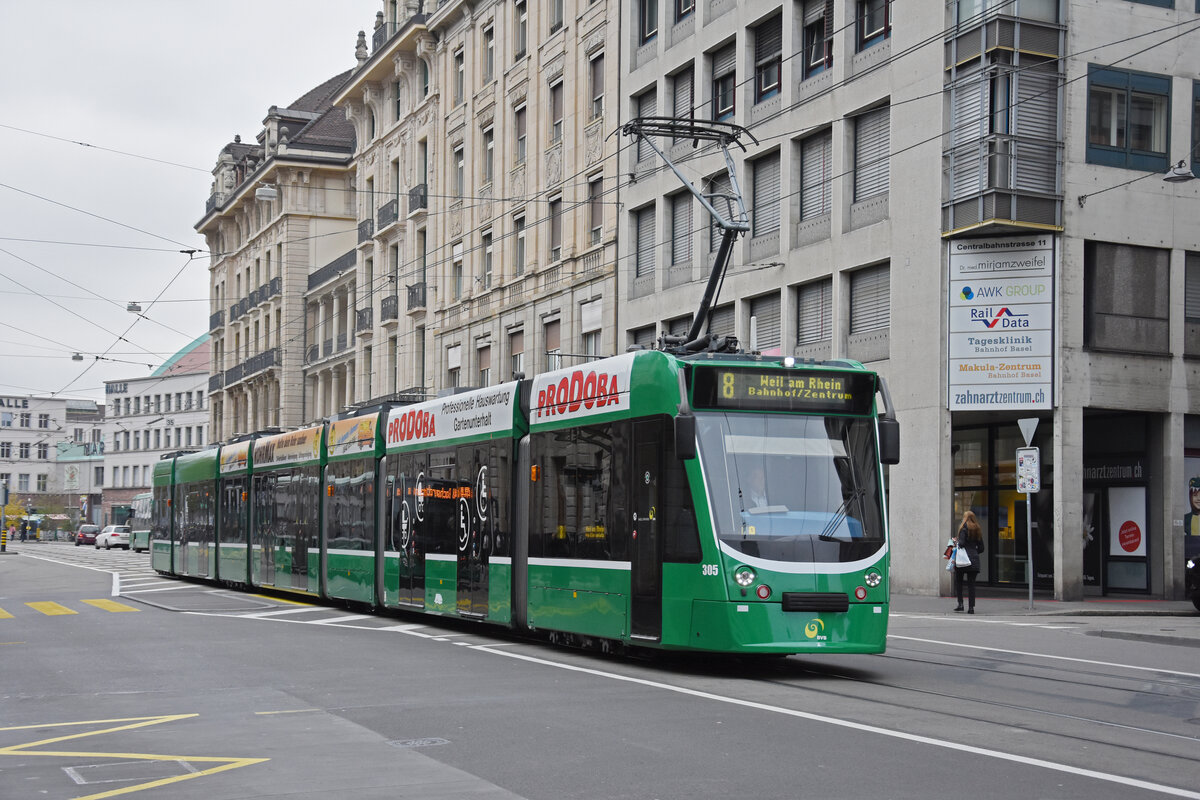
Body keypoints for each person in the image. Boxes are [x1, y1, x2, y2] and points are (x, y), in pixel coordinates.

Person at [954, 510, 985, 614]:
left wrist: (956, 541)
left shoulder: (963, 529)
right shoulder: (978, 529)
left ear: (965, 518)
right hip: (974, 560)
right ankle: (971, 607)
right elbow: (981, 548)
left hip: (963, 560)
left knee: (959, 582)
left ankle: (960, 604)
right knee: (971, 585)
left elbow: (962, 543)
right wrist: (974, 551)